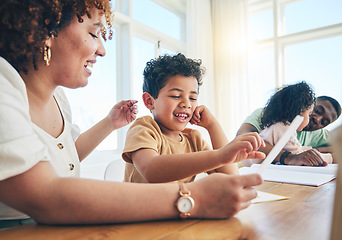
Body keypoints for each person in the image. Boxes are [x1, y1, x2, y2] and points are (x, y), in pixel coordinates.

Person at [0, 0, 264, 229]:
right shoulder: (3, 84)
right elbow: (46, 194)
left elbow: (61, 154)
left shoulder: (58, 99)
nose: (102, 49)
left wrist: (109, 124)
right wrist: (192, 197)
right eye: (93, 34)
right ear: (47, 28)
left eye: (192, 97)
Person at [122, 54, 265, 183]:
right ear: (149, 101)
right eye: (176, 96)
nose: (187, 104)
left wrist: (212, 125)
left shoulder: (193, 139)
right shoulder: (143, 129)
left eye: (193, 98)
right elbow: (151, 170)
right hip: (138, 211)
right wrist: (221, 155)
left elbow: (231, 178)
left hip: (178, 211)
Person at [241, 81, 332, 167]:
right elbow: (297, 155)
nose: (316, 119)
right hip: (248, 170)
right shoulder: (283, 128)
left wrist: (314, 150)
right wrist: (329, 158)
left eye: (324, 122)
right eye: (310, 113)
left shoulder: (277, 124)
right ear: (299, 111)